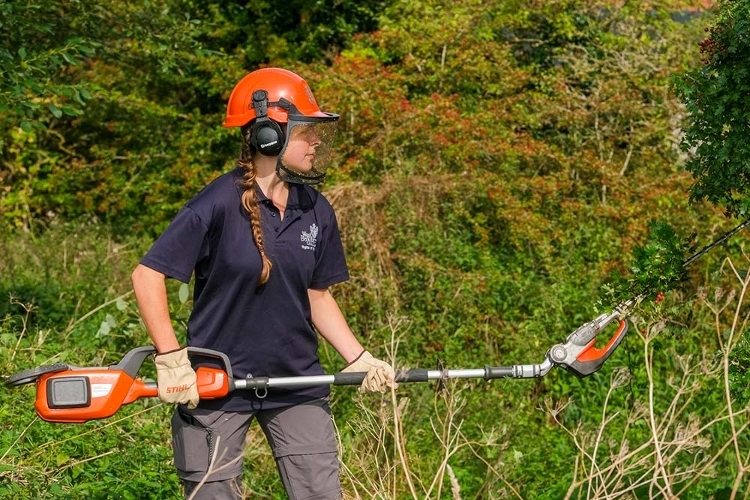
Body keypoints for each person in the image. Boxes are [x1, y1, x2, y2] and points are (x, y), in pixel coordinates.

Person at [131, 67, 398, 500]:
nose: (316, 143)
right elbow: (147, 276)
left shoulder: (316, 209)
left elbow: (316, 294)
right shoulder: (215, 203)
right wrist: (172, 359)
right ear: (268, 136)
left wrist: (358, 357)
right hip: (217, 383)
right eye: (306, 132)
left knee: (319, 493)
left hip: (296, 383)